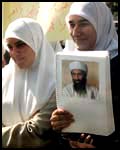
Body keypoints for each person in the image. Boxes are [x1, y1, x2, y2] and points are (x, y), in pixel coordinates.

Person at [50, 2, 119, 148]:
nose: (75, 32)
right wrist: (62, 127)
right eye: (71, 24)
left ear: (100, 23)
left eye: (83, 23)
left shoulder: (116, 63)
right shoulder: (65, 60)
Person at [2, 18, 59, 148]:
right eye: (9, 47)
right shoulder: (4, 77)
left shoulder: (56, 82)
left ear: (36, 42)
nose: (14, 52)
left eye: (20, 44)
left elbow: (37, 132)